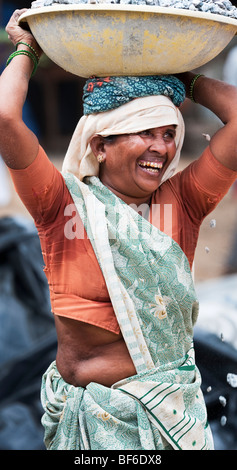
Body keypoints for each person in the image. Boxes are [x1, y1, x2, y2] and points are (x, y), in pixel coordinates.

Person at [1, 8, 237, 451]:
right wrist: (27, 48)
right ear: (100, 145)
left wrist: (181, 76)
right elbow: (5, 118)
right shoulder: (60, 204)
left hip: (165, 418)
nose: (160, 148)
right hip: (83, 426)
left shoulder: (181, 205)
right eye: (143, 132)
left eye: (169, 133)